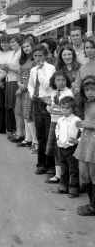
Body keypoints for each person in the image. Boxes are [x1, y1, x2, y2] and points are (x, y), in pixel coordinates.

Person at [28, 44, 56, 175]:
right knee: (40, 135)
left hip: (47, 101)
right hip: (37, 101)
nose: (38, 58)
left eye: (40, 56)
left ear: (45, 56)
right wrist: (32, 94)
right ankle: (41, 163)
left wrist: (40, 70)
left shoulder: (50, 68)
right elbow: (30, 85)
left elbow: (47, 84)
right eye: (35, 56)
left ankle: (50, 165)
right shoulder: (33, 70)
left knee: (49, 133)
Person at [45, 71, 74, 185]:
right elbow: (51, 110)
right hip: (54, 122)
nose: (61, 82)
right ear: (54, 81)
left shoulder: (68, 93)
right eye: (58, 80)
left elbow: (68, 110)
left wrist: (58, 106)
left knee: (64, 151)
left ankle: (65, 176)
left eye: (63, 80)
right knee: (56, 151)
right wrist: (49, 105)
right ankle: (58, 175)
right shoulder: (53, 92)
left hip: (64, 124)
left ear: (67, 81)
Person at [74, 76, 95, 216]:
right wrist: (81, 123)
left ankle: (93, 206)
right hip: (86, 139)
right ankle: (91, 201)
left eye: (93, 89)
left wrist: (91, 125)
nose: (90, 92)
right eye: (87, 90)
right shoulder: (86, 103)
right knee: (84, 173)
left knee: (94, 174)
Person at [55, 96, 81, 198]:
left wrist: (77, 141)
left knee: (73, 169)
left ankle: (74, 188)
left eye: (67, 108)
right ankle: (63, 186)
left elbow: (83, 132)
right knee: (64, 168)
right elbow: (57, 129)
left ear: (73, 109)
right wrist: (57, 137)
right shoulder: (60, 120)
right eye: (62, 107)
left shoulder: (76, 120)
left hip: (71, 148)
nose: (64, 110)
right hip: (61, 147)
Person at [14, 39, 38, 148]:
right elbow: (19, 72)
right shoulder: (23, 59)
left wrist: (22, 88)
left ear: (32, 46)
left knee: (29, 115)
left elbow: (32, 76)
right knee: (24, 113)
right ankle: (28, 139)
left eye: (28, 46)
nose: (26, 49)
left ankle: (34, 140)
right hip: (22, 86)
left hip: (29, 89)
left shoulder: (35, 59)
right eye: (24, 47)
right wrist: (19, 83)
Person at [0, 34, 14, 134]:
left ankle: (10, 129)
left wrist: (0, 78)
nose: (4, 44)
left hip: (7, 79)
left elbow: (11, 68)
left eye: (6, 42)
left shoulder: (13, 53)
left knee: (8, 105)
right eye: (2, 42)